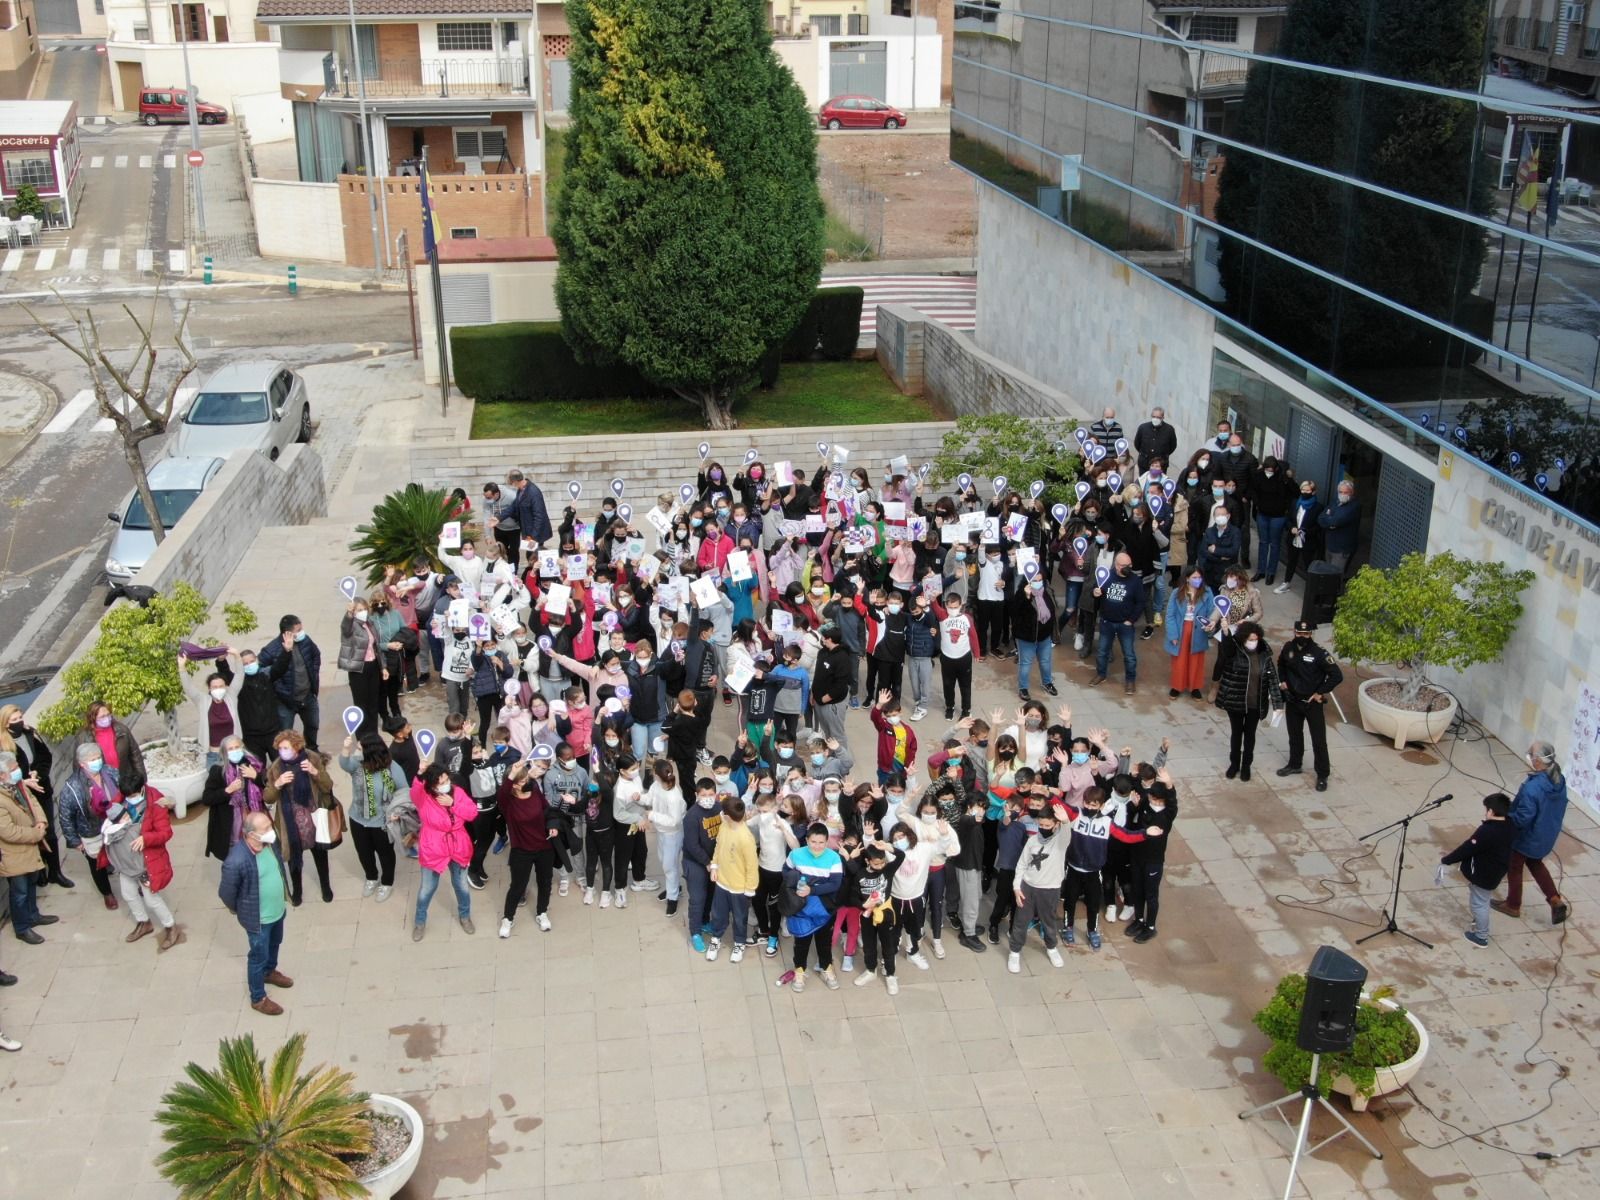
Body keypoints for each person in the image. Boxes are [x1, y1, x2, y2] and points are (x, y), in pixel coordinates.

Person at [219, 811, 295, 1015]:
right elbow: (226, 893)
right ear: (251, 835)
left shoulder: (269, 845)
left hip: (278, 910)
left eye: (270, 827)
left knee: (275, 943)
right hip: (259, 920)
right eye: (266, 829)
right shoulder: (236, 861)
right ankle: (258, 997)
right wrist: (242, 909)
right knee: (257, 957)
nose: (271, 832)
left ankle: (269, 972)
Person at [1495, 743, 1571, 925]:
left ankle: (1513, 905)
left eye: (1530, 754)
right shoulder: (1558, 779)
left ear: (1537, 761)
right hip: (1547, 832)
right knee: (1535, 862)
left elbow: (1523, 817)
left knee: (1515, 866)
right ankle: (1554, 899)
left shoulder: (1533, 788)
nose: (1528, 756)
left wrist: (1506, 823)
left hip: (1528, 836)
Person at [100, 789, 182, 950]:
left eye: (132, 795)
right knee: (128, 894)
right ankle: (143, 922)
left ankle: (171, 926)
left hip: (145, 864)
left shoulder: (154, 802)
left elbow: (165, 832)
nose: (129, 799)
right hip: (126, 865)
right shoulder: (120, 801)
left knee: (152, 899)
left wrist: (146, 838)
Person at [263, 730, 337, 905]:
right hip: (291, 823)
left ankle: (325, 887)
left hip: (313, 817)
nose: (282, 751)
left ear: (296, 746)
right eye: (280, 748)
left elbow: (327, 786)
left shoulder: (312, 758)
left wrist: (315, 772)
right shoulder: (276, 767)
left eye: (286, 747)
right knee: (294, 859)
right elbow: (268, 797)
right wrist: (277, 784)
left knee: (320, 854)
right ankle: (298, 891)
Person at [0, 706, 69, 889]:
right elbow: (5, 774)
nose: (19, 721)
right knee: (31, 831)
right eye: (15, 719)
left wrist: (37, 774)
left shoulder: (30, 734)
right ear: (6, 723)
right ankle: (39, 873)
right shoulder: (3, 744)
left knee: (49, 831)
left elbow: (45, 756)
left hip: (40, 788)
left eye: (20, 717)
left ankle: (55, 872)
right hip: (20, 794)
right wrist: (23, 781)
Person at [411, 762, 480, 940]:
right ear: (432, 785)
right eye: (441, 782)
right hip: (433, 847)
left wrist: (454, 803)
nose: (445, 784)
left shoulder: (457, 792)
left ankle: (465, 916)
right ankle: (420, 921)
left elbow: (472, 813)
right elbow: (415, 791)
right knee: (427, 888)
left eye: (446, 779)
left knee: (461, 885)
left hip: (458, 845)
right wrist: (419, 773)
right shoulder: (424, 797)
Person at [1275, 620, 1342, 792]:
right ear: (1294, 632)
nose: (1302, 637)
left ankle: (1322, 774)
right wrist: (1283, 681)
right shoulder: (1288, 647)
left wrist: (1320, 692)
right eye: (1299, 633)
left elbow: (1336, 675)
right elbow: (1281, 664)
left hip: (1312, 703)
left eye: (1306, 634)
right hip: (1293, 700)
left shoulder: (1319, 653)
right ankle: (1295, 764)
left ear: (1311, 634)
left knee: (1319, 741)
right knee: (1294, 735)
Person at [1440, 793, 1515, 947]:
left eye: (1486, 809)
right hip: (1495, 871)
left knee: (1479, 903)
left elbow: (1468, 848)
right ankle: (1479, 922)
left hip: (1483, 874)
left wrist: (1447, 860)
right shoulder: (1510, 825)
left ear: (1492, 812)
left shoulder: (1487, 831)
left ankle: (1481, 936)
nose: (1485, 812)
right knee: (1482, 899)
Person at [57, 741, 124, 909]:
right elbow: (65, 817)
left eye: (98, 757)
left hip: (115, 823)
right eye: (93, 759)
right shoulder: (73, 787)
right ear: (82, 764)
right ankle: (107, 893)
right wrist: (75, 841)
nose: (97, 761)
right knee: (97, 864)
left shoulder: (109, 772)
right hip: (92, 830)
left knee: (124, 854)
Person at [0, 752, 58, 945]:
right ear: (2, 775)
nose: (18, 771)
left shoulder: (17, 786)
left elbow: (33, 802)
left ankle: (34, 915)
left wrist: (41, 821)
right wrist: (36, 834)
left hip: (30, 848)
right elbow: (8, 832)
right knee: (20, 891)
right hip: (13, 854)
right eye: (14, 769)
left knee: (32, 882)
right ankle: (22, 927)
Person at [339, 733, 404, 901]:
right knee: (363, 852)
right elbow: (344, 763)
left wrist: (397, 812)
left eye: (361, 748)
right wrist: (346, 748)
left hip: (382, 823)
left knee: (385, 854)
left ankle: (387, 882)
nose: (357, 750)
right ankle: (371, 877)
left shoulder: (392, 768)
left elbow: (404, 792)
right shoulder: (358, 765)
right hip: (358, 819)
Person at [1006, 800, 1068, 972]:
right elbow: (1021, 864)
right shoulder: (1033, 840)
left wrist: (1066, 822)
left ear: (1055, 825)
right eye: (1041, 824)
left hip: (1050, 889)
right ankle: (1015, 951)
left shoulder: (1060, 842)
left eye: (1048, 825)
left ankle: (1051, 947)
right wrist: (1017, 887)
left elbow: (1067, 835)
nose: (1043, 827)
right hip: (1028, 887)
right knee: (1020, 921)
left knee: (1049, 921)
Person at [1215, 623, 1280, 782]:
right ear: (1244, 639)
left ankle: (1246, 766)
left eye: (1256, 639)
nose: (1253, 642)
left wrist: (1278, 705)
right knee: (1236, 734)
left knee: (1250, 735)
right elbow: (1227, 648)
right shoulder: (1234, 651)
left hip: (1255, 704)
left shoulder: (1264, 655)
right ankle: (1234, 764)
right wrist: (1225, 631)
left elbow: (1272, 680)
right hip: (1236, 702)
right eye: (1250, 639)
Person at [783, 822, 844, 991]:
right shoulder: (796, 854)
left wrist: (811, 889)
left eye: (821, 842)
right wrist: (797, 884)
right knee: (801, 942)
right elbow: (786, 872)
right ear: (807, 840)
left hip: (824, 908)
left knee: (824, 942)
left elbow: (835, 884)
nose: (817, 846)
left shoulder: (834, 857)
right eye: (813, 842)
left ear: (827, 841)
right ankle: (799, 971)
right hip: (800, 908)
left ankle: (826, 968)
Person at [498, 760, 555, 936]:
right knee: (517, 885)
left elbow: (548, 810)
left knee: (545, 883)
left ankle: (542, 913)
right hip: (521, 850)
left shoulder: (535, 792)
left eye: (525, 780)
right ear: (513, 785)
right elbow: (502, 793)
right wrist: (512, 774)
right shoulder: (508, 802)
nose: (525, 783)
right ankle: (508, 918)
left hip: (544, 847)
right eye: (520, 781)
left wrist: (553, 826)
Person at [705, 796, 759, 963]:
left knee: (739, 918)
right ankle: (716, 939)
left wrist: (749, 889)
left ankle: (739, 943)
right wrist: (714, 866)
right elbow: (718, 848)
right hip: (722, 882)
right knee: (718, 914)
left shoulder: (746, 838)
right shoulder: (724, 827)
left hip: (739, 888)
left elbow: (752, 867)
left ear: (728, 816)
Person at [258, 616, 323, 752]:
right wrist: (277, 685)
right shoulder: (271, 650)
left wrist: (313, 673)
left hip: (307, 696)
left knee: (313, 726)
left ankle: (312, 751)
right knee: (285, 734)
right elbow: (261, 671)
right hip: (285, 701)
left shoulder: (305, 641)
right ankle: (290, 755)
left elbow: (315, 654)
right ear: (287, 633)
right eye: (298, 630)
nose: (302, 632)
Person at [1126, 775, 1176, 943]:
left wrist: (1169, 784)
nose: (1155, 802)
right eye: (1152, 798)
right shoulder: (1146, 804)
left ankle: (1150, 927)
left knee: (1151, 895)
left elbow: (1172, 800)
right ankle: (1139, 920)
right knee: (1137, 890)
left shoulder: (1168, 814)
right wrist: (1133, 805)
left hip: (1153, 861)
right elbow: (1133, 816)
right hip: (1137, 855)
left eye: (1158, 800)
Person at [204, 735, 266, 863]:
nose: (234, 751)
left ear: (242, 747)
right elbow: (207, 798)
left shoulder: (254, 765)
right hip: (232, 824)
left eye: (237, 747)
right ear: (224, 753)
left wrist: (256, 777)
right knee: (235, 862)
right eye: (230, 749)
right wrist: (228, 790)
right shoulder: (218, 771)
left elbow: (269, 788)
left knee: (257, 858)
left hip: (253, 820)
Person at [1090, 552, 1144, 695]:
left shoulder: (1135, 581)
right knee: (1102, 652)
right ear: (1116, 565)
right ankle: (1101, 674)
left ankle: (1130, 680)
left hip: (1125, 624)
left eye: (1129, 565)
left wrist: (1131, 620)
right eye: (1123, 566)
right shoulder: (1106, 576)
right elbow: (1095, 590)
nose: (1127, 568)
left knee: (1129, 655)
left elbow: (1140, 603)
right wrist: (1094, 592)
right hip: (1107, 621)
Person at [70, 700, 148, 797]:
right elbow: (78, 767)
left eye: (108, 715)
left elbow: (135, 755)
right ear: (93, 718)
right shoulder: (84, 739)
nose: (107, 718)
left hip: (125, 779)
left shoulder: (121, 730)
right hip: (104, 785)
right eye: (102, 717)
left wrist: (142, 779)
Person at [1165, 569, 1216, 700]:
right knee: (1179, 660)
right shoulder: (1177, 593)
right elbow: (1170, 615)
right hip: (1181, 628)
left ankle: (1195, 687)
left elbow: (1212, 612)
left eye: (1199, 577)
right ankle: (1177, 686)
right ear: (1187, 578)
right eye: (1194, 577)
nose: (1197, 580)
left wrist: (1210, 623)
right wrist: (1173, 635)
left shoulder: (1207, 592)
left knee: (1197, 660)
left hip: (1198, 630)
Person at [1010, 571, 1058, 700]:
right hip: (1026, 637)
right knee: (1025, 664)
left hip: (1044, 636)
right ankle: (1023, 688)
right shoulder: (1021, 594)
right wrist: (1026, 597)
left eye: (1040, 580)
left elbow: (1053, 611)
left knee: (1045, 662)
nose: (1038, 583)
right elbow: (1015, 613)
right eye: (1034, 580)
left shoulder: (1046, 592)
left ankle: (1047, 683)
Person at [1250, 456, 1295, 586]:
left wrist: (1289, 479)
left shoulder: (1282, 478)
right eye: (1267, 469)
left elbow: (1295, 492)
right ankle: (1261, 571)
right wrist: (1257, 503)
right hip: (1263, 514)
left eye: (1271, 469)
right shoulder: (1259, 476)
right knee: (1263, 543)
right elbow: (1253, 490)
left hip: (1278, 516)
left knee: (1275, 545)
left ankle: (1271, 572)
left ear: (1276, 468)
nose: (1269, 471)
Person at [1275, 481, 1323, 595]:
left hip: (1307, 540)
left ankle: (1311, 588)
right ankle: (1286, 582)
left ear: (1313, 491)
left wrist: (1306, 532)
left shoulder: (1318, 507)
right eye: (1303, 490)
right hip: (1293, 538)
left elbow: (1318, 526)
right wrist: (1291, 528)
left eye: (1307, 490)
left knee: (1308, 564)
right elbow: (1288, 519)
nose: (1304, 492)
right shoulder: (1295, 503)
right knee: (1291, 561)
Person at [1318, 479, 1360, 573]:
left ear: (1352, 492)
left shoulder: (1354, 506)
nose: (1343, 494)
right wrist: (1330, 522)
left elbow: (1337, 520)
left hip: (1342, 549)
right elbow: (1321, 518)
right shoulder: (1335, 501)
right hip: (1330, 545)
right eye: (1340, 492)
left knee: (1335, 575)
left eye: (1346, 492)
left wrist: (1330, 517)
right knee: (1328, 573)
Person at [505, 468, 554, 547]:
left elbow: (539, 516)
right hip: (527, 530)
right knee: (530, 555)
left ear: (515, 482)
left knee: (534, 556)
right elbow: (514, 506)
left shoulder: (533, 492)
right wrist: (499, 518)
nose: (511, 486)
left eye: (511, 483)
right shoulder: (521, 490)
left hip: (535, 533)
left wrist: (533, 537)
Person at [1197, 505, 1241, 591]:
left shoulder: (1235, 532)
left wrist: (1215, 550)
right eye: (1218, 515)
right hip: (1211, 573)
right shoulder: (1209, 531)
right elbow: (1204, 551)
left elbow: (1233, 551)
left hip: (1228, 573)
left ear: (1228, 516)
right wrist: (1222, 557)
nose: (1220, 517)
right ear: (1214, 517)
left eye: (1223, 515)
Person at [1132, 407, 1177, 473]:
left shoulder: (1169, 430)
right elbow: (1137, 443)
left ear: (1162, 417)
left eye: (1158, 417)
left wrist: (1162, 455)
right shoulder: (1143, 427)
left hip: (1161, 465)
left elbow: (1173, 446)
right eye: (1154, 416)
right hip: (1144, 464)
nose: (1155, 419)